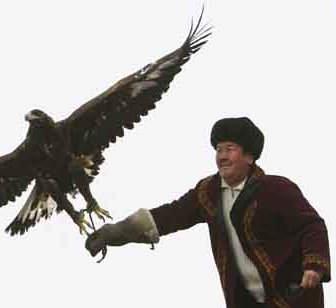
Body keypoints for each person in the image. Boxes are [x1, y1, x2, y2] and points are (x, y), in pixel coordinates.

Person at [85, 117, 331, 308]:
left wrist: (314, 267)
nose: (222, 156)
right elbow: (171, 216)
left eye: (230, 149)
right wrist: (117, 232)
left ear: (249, 156)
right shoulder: (208, 192)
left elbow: (312, 226)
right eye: (218, 149)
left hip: (292, 298)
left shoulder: (276, 188)